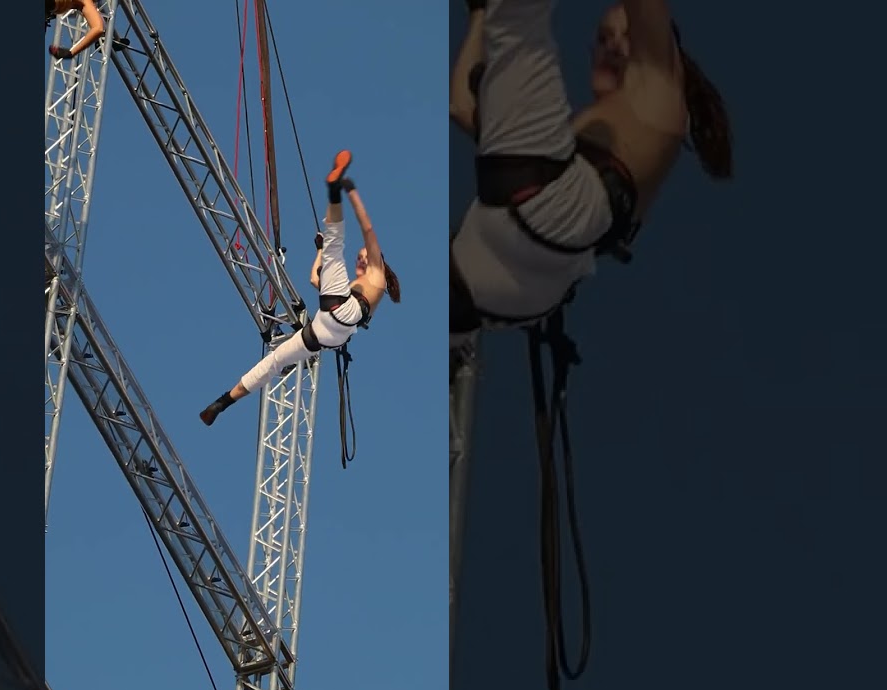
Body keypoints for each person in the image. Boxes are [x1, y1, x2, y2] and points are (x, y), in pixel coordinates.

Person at [449, 0, 732, 329]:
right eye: (602, 37)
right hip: (521, 289)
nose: (611, 45)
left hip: (552, 215)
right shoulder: (558, 141)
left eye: (626, 36)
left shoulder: (660, 86)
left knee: (515, 19)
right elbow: (461, 106)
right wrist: (479, 13)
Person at [199, 151, 401, 426]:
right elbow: (316, 281)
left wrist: (351, 192)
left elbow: (367, 227)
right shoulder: (353, 285)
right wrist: (318, 252)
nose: (360, 259)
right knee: (273, 363)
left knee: (335, 243)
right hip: (325, 331)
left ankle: (334, 190)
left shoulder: (376, 272)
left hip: (341, 314)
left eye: (362, 257)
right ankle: (222, 403)